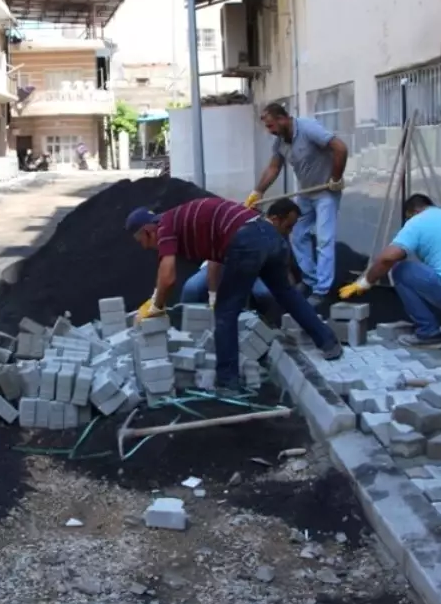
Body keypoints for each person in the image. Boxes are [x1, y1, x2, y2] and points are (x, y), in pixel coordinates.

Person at [126, 196, 342, 391]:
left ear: (147, 230)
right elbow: (216, 260)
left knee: (226, 312)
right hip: (269, 234)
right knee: (287, 293)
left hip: (247, 239)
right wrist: (212, 295)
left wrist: (156, 306)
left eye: (142, 242)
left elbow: (168, 276)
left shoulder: (165, 227)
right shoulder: (183, 221)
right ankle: (328, 342)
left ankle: (228, 381)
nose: (146, 248)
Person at [339, 193, 441, 349]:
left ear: (411, 213)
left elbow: (387, 258)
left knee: (401, 270)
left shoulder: (418, 222)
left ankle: (428, 333)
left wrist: (364, 282)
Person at [245, 101, 348, 307]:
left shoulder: (309, 129)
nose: (270, 131)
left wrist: (335, 178)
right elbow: (274, 168)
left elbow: (340, 148)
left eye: (271, 126)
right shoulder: (281, 142)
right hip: (305, 194)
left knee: (324, 240)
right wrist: (258, 192)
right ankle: (310, 282)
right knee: (298, 236)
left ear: (283, 119)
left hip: (326, 192)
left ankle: (322, 290)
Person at [180, 198, 303, 314]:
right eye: (288, 227)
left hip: (255, 271)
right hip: (221, 265)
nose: (289, 232)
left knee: (265, 294)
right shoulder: (242, 227)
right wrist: (213, 296)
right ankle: (181, 326)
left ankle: (270, 329)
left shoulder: (280, 236)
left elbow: (283, 268)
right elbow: (214, 263)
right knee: (192, 288)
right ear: (275, 219)